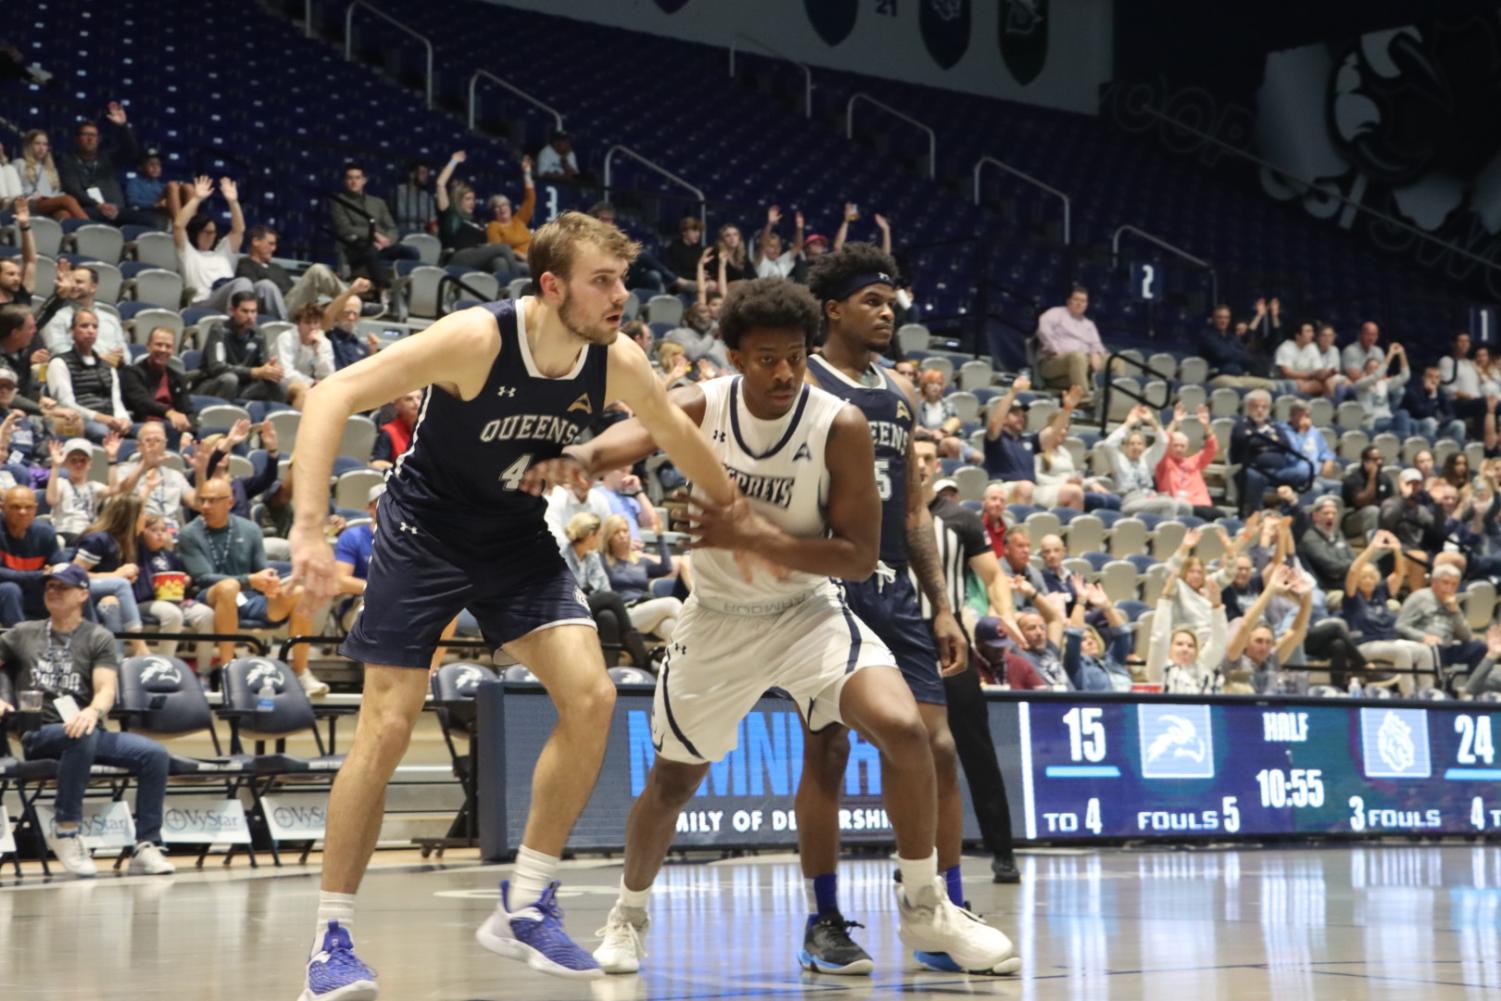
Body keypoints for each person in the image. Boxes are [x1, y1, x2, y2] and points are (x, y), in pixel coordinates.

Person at [287, 210, 741, 994]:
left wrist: (737, 511)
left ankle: (524, 901)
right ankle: (331, 938)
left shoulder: (616, 360)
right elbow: (334, 393)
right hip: (423, 529)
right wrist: (306, 529)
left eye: (623, 280)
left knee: (593, 694)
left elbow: (673, 430)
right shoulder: (477, 339)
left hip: (513, 534)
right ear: (552, 285)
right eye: (603, 281)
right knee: (389, 727)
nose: (620, 296)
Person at [569, 276, 1019, 978]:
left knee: (907, 732)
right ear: (736, 358)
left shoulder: (837, 422)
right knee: (671, 784)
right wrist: (583, 458)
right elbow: (642, 426)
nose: (782, 372)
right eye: (766, 358)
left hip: (809, 611)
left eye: (795, 356)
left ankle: (926, 903)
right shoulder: (705, 402)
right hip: (718, 623)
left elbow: (859, 554)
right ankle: (627, 913)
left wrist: (755, 535)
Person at [799, 244, 992, 974]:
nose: (886, 312)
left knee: (935, 747)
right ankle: (822, 918)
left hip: (892, 589)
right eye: (872, 300)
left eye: (892, 301)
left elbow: (912, 510)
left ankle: (938, 906)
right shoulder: (804, 380)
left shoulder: (900, 394)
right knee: (829, 748)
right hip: (823, 590)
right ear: (833, 308)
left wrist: (941, 604)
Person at [0, 563, 174, 877]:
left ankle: (147, 844)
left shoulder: (98, 637)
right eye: (49, 586)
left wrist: (92, 711)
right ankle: (66, 829)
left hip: (86, 728)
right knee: (81, 735)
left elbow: (106, 688)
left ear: (82, 594)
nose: (53, 591)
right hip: (39, 733)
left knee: (154, 755)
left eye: (62, 586)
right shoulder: (24, 633)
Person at [910, 437, 1020, 882]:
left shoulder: (960, 520)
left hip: (950, 637)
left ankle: (1003, 851)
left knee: (976, 749)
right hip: (903, 639)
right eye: (911, 457)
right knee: (910, 753)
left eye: (926, 459)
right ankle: (917, 858)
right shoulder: (885, 517)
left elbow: (994, 576)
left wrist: (1005, 613)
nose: (918, 465)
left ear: (937, 465)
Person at [177, 476, 323, 695]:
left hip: (249, 598)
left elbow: (261, 568)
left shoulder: (249, 529)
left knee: (300, 593)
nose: (205, 506)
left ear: (229, 502)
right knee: (228, 587)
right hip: (209, 597)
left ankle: (301, 672)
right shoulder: (189, 533)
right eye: (203, 500)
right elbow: (202, 577)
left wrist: (269, 581)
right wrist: (249, 580)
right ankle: (228, 671)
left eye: (212, 501)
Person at [560, 512, 654, 669]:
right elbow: (564, 592)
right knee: (614, 598)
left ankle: (610, 670)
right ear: (591, 535)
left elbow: (604, 588)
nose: (601, 538)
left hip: (587, 606)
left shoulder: (592, 558)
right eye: (600, 534)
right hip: (566, 608)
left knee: (608, 617)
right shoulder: (562, 555)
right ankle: (641, 658)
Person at [1342, 531, 1431, 693]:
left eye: (1371, 577)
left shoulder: (1380, 591)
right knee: (1402, 652)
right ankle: (1409, 697)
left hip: (1389, 641)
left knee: (1424, 651)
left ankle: (1427, 695)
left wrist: (1397, 550)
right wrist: (1372, 549)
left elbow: (1398, 574)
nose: (1367, 580)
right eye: (1364, 577)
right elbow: (1353, 571)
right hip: (1364, 645)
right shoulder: (1352, 598)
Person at [71, 493, 152, 657]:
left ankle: (116, 661)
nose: (146, 517)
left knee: (111, 603)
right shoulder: (97, 539)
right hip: (76, 590)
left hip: (100, 595)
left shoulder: (127, 541)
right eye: (143, 513)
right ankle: (139, 645)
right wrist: (115, 575)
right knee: (120, 585)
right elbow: (74, 575)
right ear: (131, 517)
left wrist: (123, 576)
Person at [135, 512, 216, 665]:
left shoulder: (169, 555)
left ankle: (203, 671)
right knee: (173, 614)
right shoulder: (136, 552)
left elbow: (185, 578)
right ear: (142, 532)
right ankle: (165, 666)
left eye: (163, 530)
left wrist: (186, 580)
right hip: (146, 602)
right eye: (154, 530)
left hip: (175, 600)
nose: (160, 534)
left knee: (207, 614)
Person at [435, 152, 530, 280]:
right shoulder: (451, 214)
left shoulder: (476, 222)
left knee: (499, 262)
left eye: (473, 199)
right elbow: (440, 184)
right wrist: (454, 161)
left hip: (477, 256)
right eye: (468, 199)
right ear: (458, 200)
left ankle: (505, 293)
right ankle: (518, 285)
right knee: (503, 248)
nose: (472, 202)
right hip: (458, 256)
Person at [1223, 566, 1314, 694]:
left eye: (1268, 642)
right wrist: (1270, 590)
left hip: (1268, 710)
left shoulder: (1271, 658)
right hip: (1238, 711)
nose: (1264, 646)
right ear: (1246, 642)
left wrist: (1307, 595)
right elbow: (1245, 625)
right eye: (1258, 641)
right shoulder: (1234, 657)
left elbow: (1295, 632)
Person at [45, 309, 131, 442]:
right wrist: (101, 418)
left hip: (111, 421)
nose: (90, 330)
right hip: (81, 421)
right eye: (84, 326)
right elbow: (66, 404)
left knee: (149, 432)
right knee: (102, 432)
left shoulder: (108, 366)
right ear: (72, 331)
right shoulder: (59, 363)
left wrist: (124, 420)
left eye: (94, 326)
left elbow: (116, 402)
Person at [328, 162, 417, 291]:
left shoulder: (378, 202)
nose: (354, 181)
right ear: (345, 181)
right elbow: (344, 229)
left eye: (357, 178)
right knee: (368, 249)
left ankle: (409, 290)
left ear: (364, 180)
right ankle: (385, 288)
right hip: (355, 246)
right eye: (350, 178)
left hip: (381, 246)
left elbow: (392, 228)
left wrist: (386, 242)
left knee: (412, 252)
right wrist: (374, 234)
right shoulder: (338, 201)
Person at [56, 106, 147, 226]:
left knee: (150, 222)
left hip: (117, 211)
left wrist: (122, 126)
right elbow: (73, 189)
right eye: (85, 135)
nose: (90, 139)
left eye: (93, 135)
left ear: (98, 139)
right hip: (90, 210)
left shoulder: (107, 158)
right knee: (68, 215)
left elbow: (131, 150)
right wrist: (98, 205)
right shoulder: (67, 161)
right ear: (77, 139)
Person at [235, 225, 345, 321]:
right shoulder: (245, 265)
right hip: (277, 310)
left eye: (275, 245)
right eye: (270, 244)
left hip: (295, 306)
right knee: (317, 270)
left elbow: (294, 291)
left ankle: (350, 303)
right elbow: (252, 294)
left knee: (333, 306)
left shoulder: (277, 267)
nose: (273, 248)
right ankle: (351, 298)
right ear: (256, 241)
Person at [599, 514, 682, 642]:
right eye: (616, 532)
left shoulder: (640, 561)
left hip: (644, 610)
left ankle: (667, 662)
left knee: (671, 627)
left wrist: (660, 536)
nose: (622, 535)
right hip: (624, 613)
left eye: (625, 531)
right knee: (671, 603)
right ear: (609, 537)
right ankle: (698, 631)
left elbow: (667, 568)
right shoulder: (604, 561)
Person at [1396, 563, 1487, 679]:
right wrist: (1423, 637)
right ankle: (1441, 686)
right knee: (1435, 648)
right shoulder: (1419, 598)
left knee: (1479, 647)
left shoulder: (1454, 602)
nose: (1449, 588)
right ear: (1434, 582)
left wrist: (1455, 612)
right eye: (1445, 583)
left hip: (1447, 646)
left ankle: (1472, 689)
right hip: (1426, 647)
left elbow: (1466, 637)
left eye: (1454, 585)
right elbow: (1400, 625)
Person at [173, 175, 249, 309]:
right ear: (196, 232)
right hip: (202, 303)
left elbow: (238, 230)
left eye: (213, 233)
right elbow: (179, 225)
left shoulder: (222, 254)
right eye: (207, 232)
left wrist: (233, 202)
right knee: (242, 282)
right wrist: (196, 199)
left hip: (228, 300)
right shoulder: (189, 254)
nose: (211, 236)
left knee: (266, 286)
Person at [1231, 390, 1308, 516]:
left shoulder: (1275, 427)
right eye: (1256, 406)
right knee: (1254, 477)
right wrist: (1272, 442)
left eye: (1264, 407)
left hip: (1277, 472)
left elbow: (1285, 444)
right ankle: (1254, 513)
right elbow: (1249, 442)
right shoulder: (1241, 425)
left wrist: (1262, 443)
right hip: (1251, 469)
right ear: (1248, 407)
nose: (1260, 410)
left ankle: (1295, 514)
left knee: (1304, 473)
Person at [198, 292, 285, 404]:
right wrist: (254, 372)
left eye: (253, 311)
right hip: (213, 383)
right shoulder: (219, 330)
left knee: (278, 384)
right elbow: (217, 368)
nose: (250, 317)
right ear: (232, 311)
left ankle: (275, 419)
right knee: (230, 379)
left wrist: (271, 370)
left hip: (243, 388)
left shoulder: (258, 334)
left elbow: (262, 367)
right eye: (245, 311)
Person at [113, 421, 196, 531]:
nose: (153, 444)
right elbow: (119, 497)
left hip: (171, 532)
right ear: (139, 446)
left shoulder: (175, 475)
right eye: (148, 440)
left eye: (158, 440)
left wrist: (201, 471)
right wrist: (144, 465)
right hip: (139, 530)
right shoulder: (124, 470)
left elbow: (197, 504)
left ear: (165, 445)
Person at [1102, 404, 1183, 517]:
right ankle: (1163, 534)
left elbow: (1163, 441)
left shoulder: (1146, 460)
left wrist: (1152, 421)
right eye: (1132, 444)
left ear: (1144, 447)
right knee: (1169, 504)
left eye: (1139, 444)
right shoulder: (1119, 460)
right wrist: (1128, 424)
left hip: (1150, 497)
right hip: (1130, 499)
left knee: (1185, 507)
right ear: (1125, 447)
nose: (1136, 447)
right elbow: (1108, 444)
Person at [119, 326, 197, 441]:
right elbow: (143, 402)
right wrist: (170, 413)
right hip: (141, 424)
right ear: (148, 346)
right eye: (158, 344)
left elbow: (188, 410)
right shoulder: (131, 373)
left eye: (168, 346)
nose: (163, 349)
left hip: (170, 426)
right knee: (171, 429)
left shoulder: (177, 378)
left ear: (173, 350)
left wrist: (190, 433)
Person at [39, 266, 127, 361]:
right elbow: (58, 350)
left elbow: (125, 354)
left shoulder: (111, 318)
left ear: (93, 287)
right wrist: (97, 359)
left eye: (79, 282)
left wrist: (121, 357)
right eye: (71, 281)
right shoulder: (56, 317)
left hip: (111, 371)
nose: (72, 285)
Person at [1034, 286, 1106, 403]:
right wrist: (1054, 349)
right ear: (1069, 301)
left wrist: (1095, 353)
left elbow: (1096, 344)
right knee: (1077, 356)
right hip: (1054, 362)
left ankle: (1113, 399)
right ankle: (1084, 398)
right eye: (1076, 300)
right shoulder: (1056, 313)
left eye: (1083, 301)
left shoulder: (1089, 324)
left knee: (1115, 361)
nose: (1079, 304)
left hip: (1082, 364)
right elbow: (1043, 330)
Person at [0, 486, 59, 625]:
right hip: (5, 593)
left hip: (33, 591)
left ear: (35, 509)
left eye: (28, 507)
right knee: (10, 589)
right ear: (3, 508)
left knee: (73, 588)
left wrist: (55, 573)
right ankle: (20, 644)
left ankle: (84, 643)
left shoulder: (45, 532)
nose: (22, 512)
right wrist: (39, 575)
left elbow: (59, 568)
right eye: (15, 507)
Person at [1154, 402, 1220, 519]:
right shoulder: (1164, 461)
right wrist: (1175, 422)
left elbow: (1212, 449)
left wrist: (1206, 426)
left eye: (1182, 446)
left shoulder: (1194, 461)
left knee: (1221, 517)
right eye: (1175, 445)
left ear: (1187, 448)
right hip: (1178, 507)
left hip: (1202, 505)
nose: (1179, 449)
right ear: (1170, 446)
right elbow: (1162, 442)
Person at [45, 435, 116, 543]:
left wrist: (112, 459)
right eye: (73, 460)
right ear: (66, 463)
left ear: (89, 464)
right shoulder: (61, 483)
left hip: (89, 535)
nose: (78, 464)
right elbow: (51, 500)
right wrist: (55, 466)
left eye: (83, 460)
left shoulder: (94, 486)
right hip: (64, 533)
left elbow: (114, 490)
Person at [981, 376, 1037, 502]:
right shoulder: (996, 438)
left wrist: (1068, 408)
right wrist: (1013, 392)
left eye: (1023, 415)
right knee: (1026, 487)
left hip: (1031, 488)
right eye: (1016, 414)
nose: (1021, 418)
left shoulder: (1028, 440)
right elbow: (994, 422)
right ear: (1004, 418)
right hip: (1002, 487)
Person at [1200, 304, 1278, 390]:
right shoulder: (1207, 336)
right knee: (1238, 387)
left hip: (1239, 376)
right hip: (1218, 376)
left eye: (1226, 318)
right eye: (1220, 317)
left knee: (1269, 385)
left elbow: (1245, 355)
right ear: (1213, 319)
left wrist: (1234, 353)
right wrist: (1237, 354)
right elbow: (1222, 354)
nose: (1223, 320)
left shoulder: (1232, 337)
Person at [274, 303, 336, 410]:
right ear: (298, 324)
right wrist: (311, 383)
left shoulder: (324, 343)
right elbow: (286, 373)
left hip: (312, 385)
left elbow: (328, 375)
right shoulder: (285, 338)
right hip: (282, 383)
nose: (312, 327)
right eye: (307, 323)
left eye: (316, 323)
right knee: (303, 390)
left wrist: (317, 352)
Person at [16, 129, 87, 219]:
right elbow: (15, 191)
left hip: (48, 203)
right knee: (68, 200)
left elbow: (55, 192)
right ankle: (91, 228)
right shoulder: (20, 163)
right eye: (37, 143)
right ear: (29, 145)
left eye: (45, 144)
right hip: (29, 203)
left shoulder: (50, 169)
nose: (41, 148)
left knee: (64, 214)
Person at [1353, 343, 1411, 437]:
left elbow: (1405, 376)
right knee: (1402, 429)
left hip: (1388, 418)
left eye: (1377, 368)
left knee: (1403, 414)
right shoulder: (1360, 384)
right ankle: (1396, 438)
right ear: (1365, 371)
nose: (1375, 370)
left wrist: (1401, 353)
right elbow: (1376, 376)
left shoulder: (1383, 384)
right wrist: (1390, 354)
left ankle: (1394, 438)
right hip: (1372, 422)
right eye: (1371, 368)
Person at [1401, 365, 1467, 443]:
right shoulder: (1413, 391)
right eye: (1430, 377)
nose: (1434, 380)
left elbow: (1451, 414)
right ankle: (1427, 450)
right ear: (1423, 378)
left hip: (1433, 426)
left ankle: (1456, 452)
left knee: (1459, 424)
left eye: (1437, 378)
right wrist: (1432, 396)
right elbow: (1423, 413)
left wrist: (1441, 422)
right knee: (1430, 421)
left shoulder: (1439, 392)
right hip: (1416, 425)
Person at [1273, 321, 1334, 397]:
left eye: (1312, 331)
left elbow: (1318, 369)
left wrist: (1325, 373)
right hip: (1286, 381)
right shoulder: (1285, 348)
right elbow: (1287, 373)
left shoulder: (1312, 347)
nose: (1312, 335)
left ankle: (1330, 404)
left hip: (1307, 381)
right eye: (1308, 331)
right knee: (1321, 385)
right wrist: (1311, 375)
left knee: (1328, 381)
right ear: (1298, 335)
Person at [0, 197, 38, 307]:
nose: (17, 278)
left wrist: (25, 225)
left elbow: (30, 261)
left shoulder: (22, 295)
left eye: (18, 274)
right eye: (11, 274)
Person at [370, 390, 421, 469]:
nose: (416, 403)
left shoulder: (430, 429)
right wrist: (403, 469)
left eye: (419, 398)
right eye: (409, 399)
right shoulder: (388, 432)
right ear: (397, 405)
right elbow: (376, 463)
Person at [752, 205, 804, 279]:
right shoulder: (761, 260)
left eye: (778, 246)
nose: (776, 249)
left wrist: (799, 228)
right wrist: (770, 224)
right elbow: (762, 244)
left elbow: (797, 246)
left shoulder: (782, 262)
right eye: (771, 246)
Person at [392, 160, 436, 234]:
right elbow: (401, 214)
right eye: (422, 173)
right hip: (401, 233)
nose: (426, 176)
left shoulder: (427, 196)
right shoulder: (399, 192)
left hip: (421, 234)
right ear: (412, 175)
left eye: (427, 173)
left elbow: (432, 220)